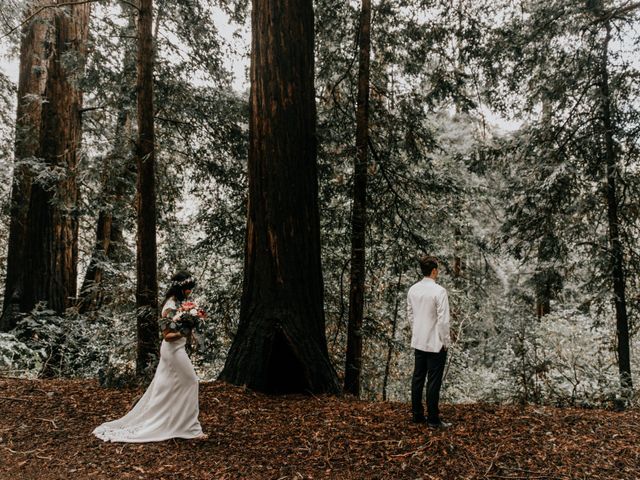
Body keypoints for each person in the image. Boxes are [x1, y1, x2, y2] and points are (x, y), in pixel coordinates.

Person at [92, 271, 207, 442]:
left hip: (178, 349)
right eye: (188, 288)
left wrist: (192, 321)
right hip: (173, 351)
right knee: (191, 381)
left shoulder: (180, 304)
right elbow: (167, 335)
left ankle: (176, 423)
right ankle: (191, 428)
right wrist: (187, 329)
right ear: (180, 289)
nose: (190, 291)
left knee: (168, 388)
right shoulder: (170, 306)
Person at [406, 256, 451, 428]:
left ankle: (417, 415)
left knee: (418, 377)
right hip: (435, 342)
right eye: (437, 270)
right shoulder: (439, 291)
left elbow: (410, 314)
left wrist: (416, 331)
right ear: (433, 271)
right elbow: (444, 321)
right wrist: (445, 341)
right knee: (433, 380)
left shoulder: (413, 290)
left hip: (419, 340)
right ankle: (433, 419)